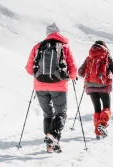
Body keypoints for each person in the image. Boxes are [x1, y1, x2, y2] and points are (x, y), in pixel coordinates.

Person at [25, 23, 78, 152]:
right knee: (61, 113)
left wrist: (39, 76)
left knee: (47, 114)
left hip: (40, 86)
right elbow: (73, 68)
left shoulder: (38, 47)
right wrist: (71, 76)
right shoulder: (64, 47)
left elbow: (29, 68)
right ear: (58, 32)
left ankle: (50, 144)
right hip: (59, 86)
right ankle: (54, 136)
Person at [78, 40, 113, 139]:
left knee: (97, 109)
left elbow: (80, 72)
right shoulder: (106, 56)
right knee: (106, 108)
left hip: (90, 86)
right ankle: (102, 125)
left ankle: (98, 132)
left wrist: (89, 78)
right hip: (103, 86)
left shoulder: (89, 57)